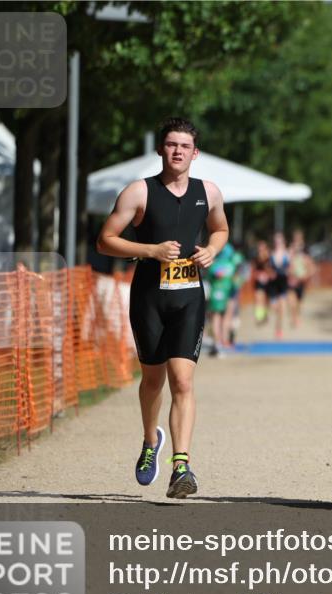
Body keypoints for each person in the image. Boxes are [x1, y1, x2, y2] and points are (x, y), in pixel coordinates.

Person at [97, 117, 228, 499]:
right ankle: (149, 440)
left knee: (182, 381)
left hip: (189, 298)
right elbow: (105, 240)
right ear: (160, 149)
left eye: (184, 146)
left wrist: (213, 249)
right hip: (149, 299)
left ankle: (181, 466)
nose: (177, 152)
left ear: (195, 153)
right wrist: (150, 250)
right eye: (171, 145)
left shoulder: (209, 192)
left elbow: (220, 229)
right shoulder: (139, 192)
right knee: (152, 381)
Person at [287, 229, 316, 329]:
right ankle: (293, 318)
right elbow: (286, 262)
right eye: (296, 237)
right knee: (292, 301)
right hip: (292, 281)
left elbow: (312, 266)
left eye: (299, 237)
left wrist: (307, 276)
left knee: (299, 302)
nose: (297, 239)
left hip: (302, 281)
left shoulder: (305, 251)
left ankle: (297, 316)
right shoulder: (290, 250)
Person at [269, 232, 291, 339]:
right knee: (274, 308)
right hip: (273, 285)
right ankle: (268, 316)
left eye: (280, 241)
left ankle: (279, 329)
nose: (278, 243)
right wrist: (270, 273)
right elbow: (267, 269)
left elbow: (291, 268)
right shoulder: (271, 254)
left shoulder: (287, 254)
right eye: (276, 241)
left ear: (283, 242)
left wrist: (290, 274)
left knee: (282, 309)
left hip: (283, 284)